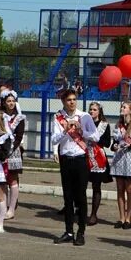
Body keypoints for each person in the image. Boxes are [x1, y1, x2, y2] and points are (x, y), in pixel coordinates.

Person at [50, 87, 100, 246]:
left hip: (80, 159)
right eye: (68, 100)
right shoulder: (58, 117)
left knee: (81, 197)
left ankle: (81, 232)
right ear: (63, 101)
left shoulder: (85, 116)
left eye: (74, 99)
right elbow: (53, 140)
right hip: (66, 159)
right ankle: (68, 230)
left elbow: (95, 136)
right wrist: (65, 130)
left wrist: (81, 130)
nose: (72, 102)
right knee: (68, 197)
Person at [110, 100, 131, 230]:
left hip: (130, 159)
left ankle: (129, 218)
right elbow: (113, 145)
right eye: (122, 107)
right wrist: (115, 146)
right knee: (120, 189)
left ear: (130, 110)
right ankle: (121, 217)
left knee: (129, 189)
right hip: (119, 159)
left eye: (124, 107)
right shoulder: (117, 126)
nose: (122, 109)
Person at [1, 90, 26, 220]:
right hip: (1, 151)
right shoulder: (0, 116)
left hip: (13, 151)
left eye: (13, 101)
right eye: (8, 101)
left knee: (12, 179)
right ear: (4, 103)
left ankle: (11, 209)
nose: (11, 103)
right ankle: (3, 207)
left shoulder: (20, 118)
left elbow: (19, 136)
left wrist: (10, 150)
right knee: (3, 180)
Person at [87, 101, 112, 226]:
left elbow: (107, 143)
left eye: (94, 109)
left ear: (99, 111)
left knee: (96, 187)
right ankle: (79, 210)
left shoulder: (104, 125)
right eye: (91, 109)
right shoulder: (85, 123)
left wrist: (95, 138)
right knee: (80, 185)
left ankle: (93, 214)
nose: (92, 111)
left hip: (98, 158)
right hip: (85, 156)